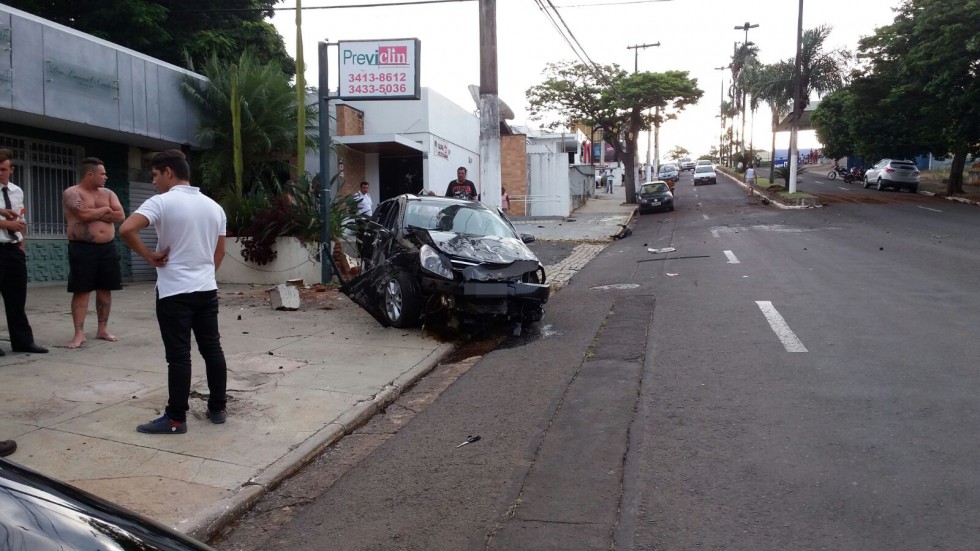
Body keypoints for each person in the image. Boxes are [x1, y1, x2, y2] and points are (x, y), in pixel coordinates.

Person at [119, 149, 228, 434]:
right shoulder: (214, 207)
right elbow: (220, 252)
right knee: (212, 349)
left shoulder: (161, 202)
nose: (153, 181)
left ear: (169, 172)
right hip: (206, 290)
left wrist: (149, 256)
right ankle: (218, 407)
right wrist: (204, 274)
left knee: (179, 356)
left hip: (173, 292)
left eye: (155, 175)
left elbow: (126, 228)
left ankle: (176, 419)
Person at [62, 157, 125, 349]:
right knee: (82, 290)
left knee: (105, 289)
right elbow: (82, 215)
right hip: (82, 248)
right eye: (102, 173)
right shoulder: (72, 193)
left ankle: (102, 328)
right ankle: (79, 333)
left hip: (107, 248)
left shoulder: (109, 193)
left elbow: (121, 216)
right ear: (90, 174)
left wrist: (97, 211)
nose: (105, 177)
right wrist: (106, 210)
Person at [0, 149, 47, 355]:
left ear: (11, 170)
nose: (0, 173)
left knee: (17, 299)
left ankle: (22, 341)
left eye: (3, 169)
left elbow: (20, 219)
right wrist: (4, 223)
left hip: (13, 250)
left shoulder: (17, 191)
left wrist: (22, 244)